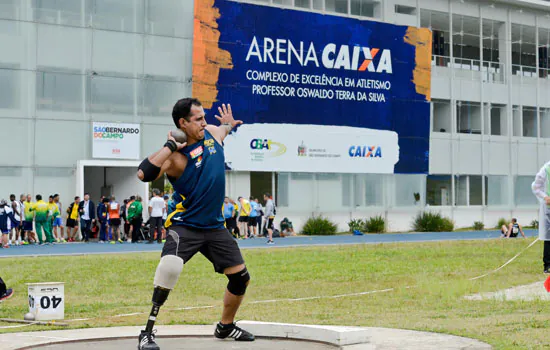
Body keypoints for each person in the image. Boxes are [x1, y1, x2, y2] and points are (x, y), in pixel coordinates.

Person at [136, 98, 254, 349]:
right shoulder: (175, 158)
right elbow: (143, 173)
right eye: (198, 119)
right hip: (185, 225)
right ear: (182, 123)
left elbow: (222, 129)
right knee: (170, 268)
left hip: (214, 227)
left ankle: (226, 326)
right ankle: (146, 333)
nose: (204, 122)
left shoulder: (212, 133)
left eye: (204, 117)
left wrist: (228, 125)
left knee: (240, 278)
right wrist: (170, 145)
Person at [532, 160, 550, 273]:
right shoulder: (546, 169)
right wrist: (545, 197)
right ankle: (547, 265)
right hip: (549, 209)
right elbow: (536, 187)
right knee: (549, 238)